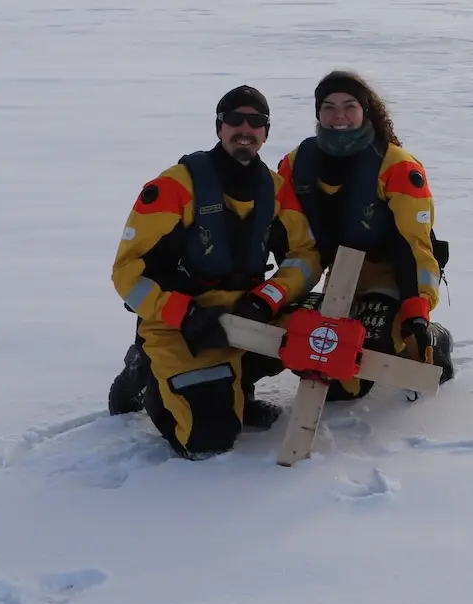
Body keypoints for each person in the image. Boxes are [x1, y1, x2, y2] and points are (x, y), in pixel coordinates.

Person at [106, 86, 320, 458]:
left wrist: (267, 300)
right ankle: (145, 375)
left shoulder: (275, 189)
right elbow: (126, 272)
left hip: (245, 313)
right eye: (235, 119)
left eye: (256, 122)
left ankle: (235, 390)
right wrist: (182, 313)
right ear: (219, 127)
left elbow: (306, 256)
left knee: (320, 338)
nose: (245, 129)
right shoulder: (174, 186)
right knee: (209, 438)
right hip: (181, 320)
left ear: (265, 133)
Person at [277, 70, 453, 398]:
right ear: (317, 113)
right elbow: (291, 238)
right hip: (340, 273)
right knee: (327, 365)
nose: (338, 115)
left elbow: (416, 246)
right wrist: (279, 291)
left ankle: (430, 338)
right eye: (328, 106)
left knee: (377, 345)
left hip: (394, 272)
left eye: (349, 105)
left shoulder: (397, 166)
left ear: (365, 110)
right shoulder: (295, 164)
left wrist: (417, 307)